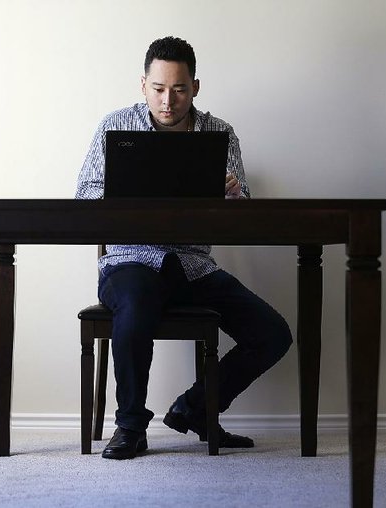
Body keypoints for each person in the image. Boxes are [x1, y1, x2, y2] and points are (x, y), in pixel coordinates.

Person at [75, 36, 293, 460]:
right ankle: (131, 428)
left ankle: (196, 408)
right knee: (136, 304)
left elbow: (242, 213)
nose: (168, 100)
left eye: (178, 89)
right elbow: (85, 197)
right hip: (130, 261)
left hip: (193, 265)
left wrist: (233, 199)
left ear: (195, 86)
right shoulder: (115, 126)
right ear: (143, 85)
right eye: (158, 89)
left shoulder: (220, 133)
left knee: (273, 333)